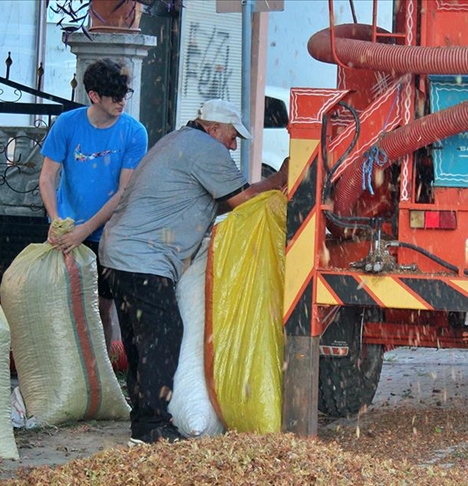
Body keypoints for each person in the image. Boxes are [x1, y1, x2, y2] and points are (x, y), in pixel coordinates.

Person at [99, 99, 288, 445]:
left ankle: (143, 423)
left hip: (118, 255)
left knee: (141, 343)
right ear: (213, 129)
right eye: (232, 137)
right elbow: (243, 201)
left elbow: (209, 200)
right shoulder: (205, 148)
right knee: (163, 335)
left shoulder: (177, 141)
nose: (233, 145)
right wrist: (283, 177)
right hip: (144, 259)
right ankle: (153, 424)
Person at [39, 58, 148, 361]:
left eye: (125, 94)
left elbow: (124, 191)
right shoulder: (68, 124)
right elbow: (47, 177)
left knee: (102, 306)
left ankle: (103, 374)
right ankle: (62, 369)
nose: (122, 102)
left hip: (108, 232)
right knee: (61, 302)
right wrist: (56, 221)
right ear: (94, 95)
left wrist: (85, 230)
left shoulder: (134, 133)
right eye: (115, 96)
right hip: (66, 228)